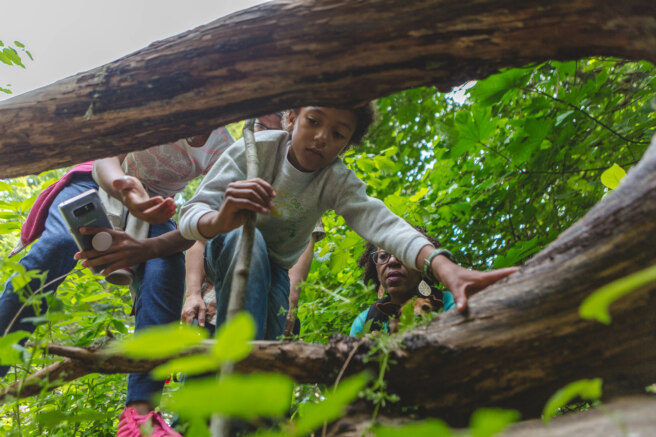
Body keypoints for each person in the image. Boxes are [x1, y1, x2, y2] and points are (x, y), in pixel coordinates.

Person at [178, 104, 518, 344]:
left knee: (270, 347)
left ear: (347, 143)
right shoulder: (258, 150)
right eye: (313, 121)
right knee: (247, 249)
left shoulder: (335, 180)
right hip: (229, 246)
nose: (322, 137)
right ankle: (230, 383)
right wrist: (220, 219)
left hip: (277, 272)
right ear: (291, 118)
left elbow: (384, 224)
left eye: (338, 133)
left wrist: (446, 268)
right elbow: (190, 214)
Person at [0, 126, 236, 437]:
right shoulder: (160, 105)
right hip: (99, 181)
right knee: (55, 246)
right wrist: (127, 190)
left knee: (166, 270)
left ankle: (140, 415)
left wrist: (147, 227)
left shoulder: (222, 146)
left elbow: (203, 221)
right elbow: (105, 158)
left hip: (154, 207)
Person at [350, 227, 454, 336]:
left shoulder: (451, 302)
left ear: (420, 265)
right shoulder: (363, 323)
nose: (392, 261)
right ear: (377, 272)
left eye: (402, 253)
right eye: (384, 255)